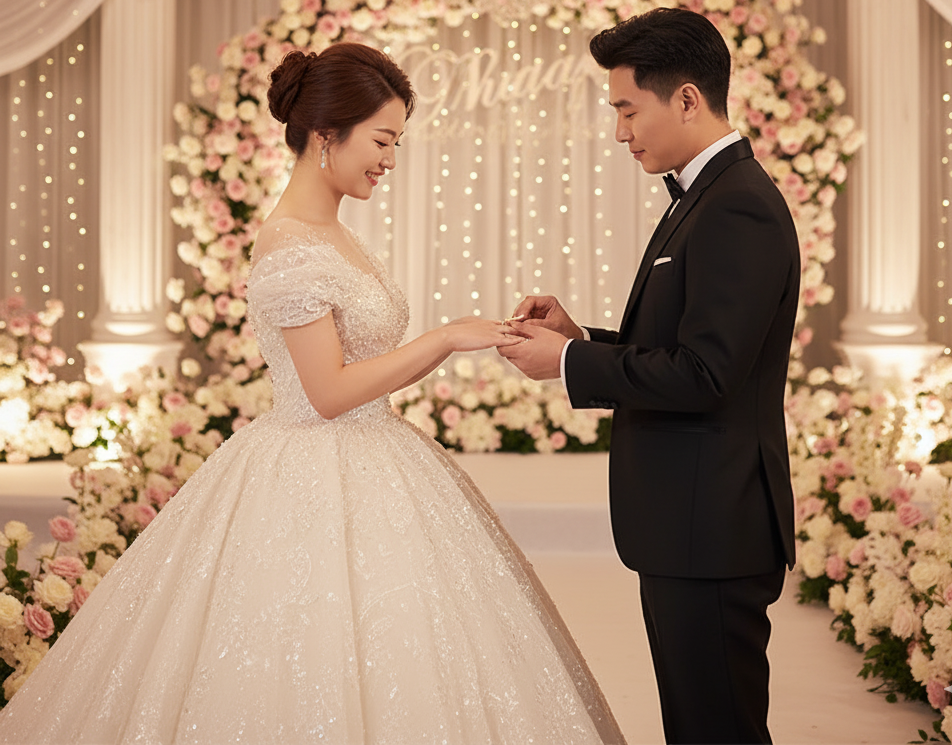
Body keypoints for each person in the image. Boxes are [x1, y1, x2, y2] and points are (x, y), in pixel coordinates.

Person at [0, 42, 624, 745]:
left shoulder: (333, 232)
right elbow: (326, 392)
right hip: (309, 461)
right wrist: (447, 338)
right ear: (327, 135)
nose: (389, 159)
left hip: (378, 449)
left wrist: (465, 336)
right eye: (381, 140)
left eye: (396, 142)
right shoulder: (291, 245)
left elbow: (368, 374)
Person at [499, 7, 799, 745]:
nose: (620, 131)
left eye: (628, 109)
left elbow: (705, 375)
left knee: (716, 728)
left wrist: (569, 363)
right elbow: (681, 345)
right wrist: (582, 337)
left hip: (713, 524)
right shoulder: (703, 196)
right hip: (690, 523)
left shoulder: (737, 206)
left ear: (688, 99)